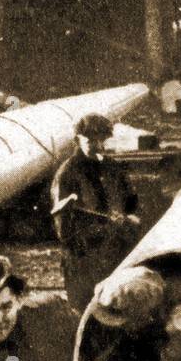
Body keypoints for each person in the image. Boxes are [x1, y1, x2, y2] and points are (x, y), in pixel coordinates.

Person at [50, 114, 141, 310]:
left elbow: (130, 202)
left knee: (115, 307)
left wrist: (126, 218)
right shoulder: (67, 174)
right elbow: (63, 229)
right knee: (87, 309)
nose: (98, 145)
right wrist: (99, 229)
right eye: (91, 141)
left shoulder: (112, 167)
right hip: (84, 259)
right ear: (77, 141)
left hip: (115, 252)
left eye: (102, 140)